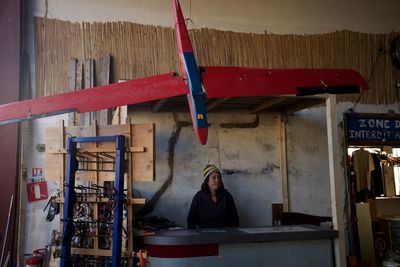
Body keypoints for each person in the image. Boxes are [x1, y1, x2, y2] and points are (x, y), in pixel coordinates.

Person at [187, 164, 239, 229]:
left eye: (219, 177)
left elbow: (235, 220)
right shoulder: (199, 197)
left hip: (225, 236)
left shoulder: (227, 197)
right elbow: (190, 221)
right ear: (207, 181)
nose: (217, 180)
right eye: (213, 177)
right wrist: (198, 236)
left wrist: (230, 235)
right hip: (205, 236)